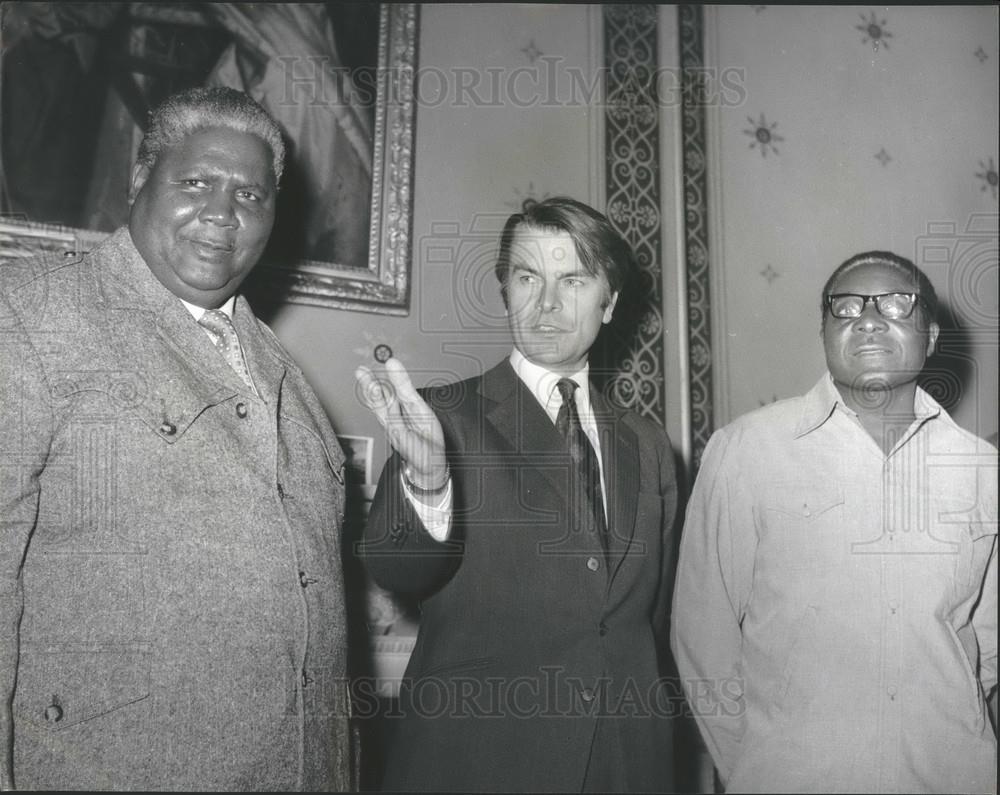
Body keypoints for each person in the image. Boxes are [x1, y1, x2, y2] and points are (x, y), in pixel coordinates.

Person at [0, 87, 352, 790]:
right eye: (195, 182)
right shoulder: (33, 316)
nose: (222, 213)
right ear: (139, 178)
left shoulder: (288, 376)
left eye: (251, 195)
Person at [355, 197, 679, 793]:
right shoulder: (443, 417)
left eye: (573, 280)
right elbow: (397, 567)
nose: (547, 304)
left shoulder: (649, 443)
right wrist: (427, 479)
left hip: (625, 764)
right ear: (505, 291)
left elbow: (649, 621)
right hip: (476, 763)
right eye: (528, 278)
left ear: (609, 304)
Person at [671, 251, 997, 793]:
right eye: (846, 308)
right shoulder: (747, 451)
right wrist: (755, 767)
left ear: (931, 335)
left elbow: (988, 646)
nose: (869, 319)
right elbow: (702, 639)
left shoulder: (981, 469)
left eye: (896, 304)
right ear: (824, 334)